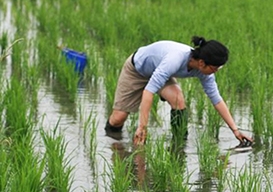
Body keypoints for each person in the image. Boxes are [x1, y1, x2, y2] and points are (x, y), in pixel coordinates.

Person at [105, 36, 253, 145]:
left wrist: (235, 130)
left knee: (178, 99)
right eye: (214, 68)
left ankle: (179, 144)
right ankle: (112, 142)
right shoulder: (175, 60)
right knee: (118, 118)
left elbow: (216, 99)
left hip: (160, 71)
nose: (216, 72)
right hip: (137, 70)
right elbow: (148, 91)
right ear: (202, 63)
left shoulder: (204, 71)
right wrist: (142, 127)